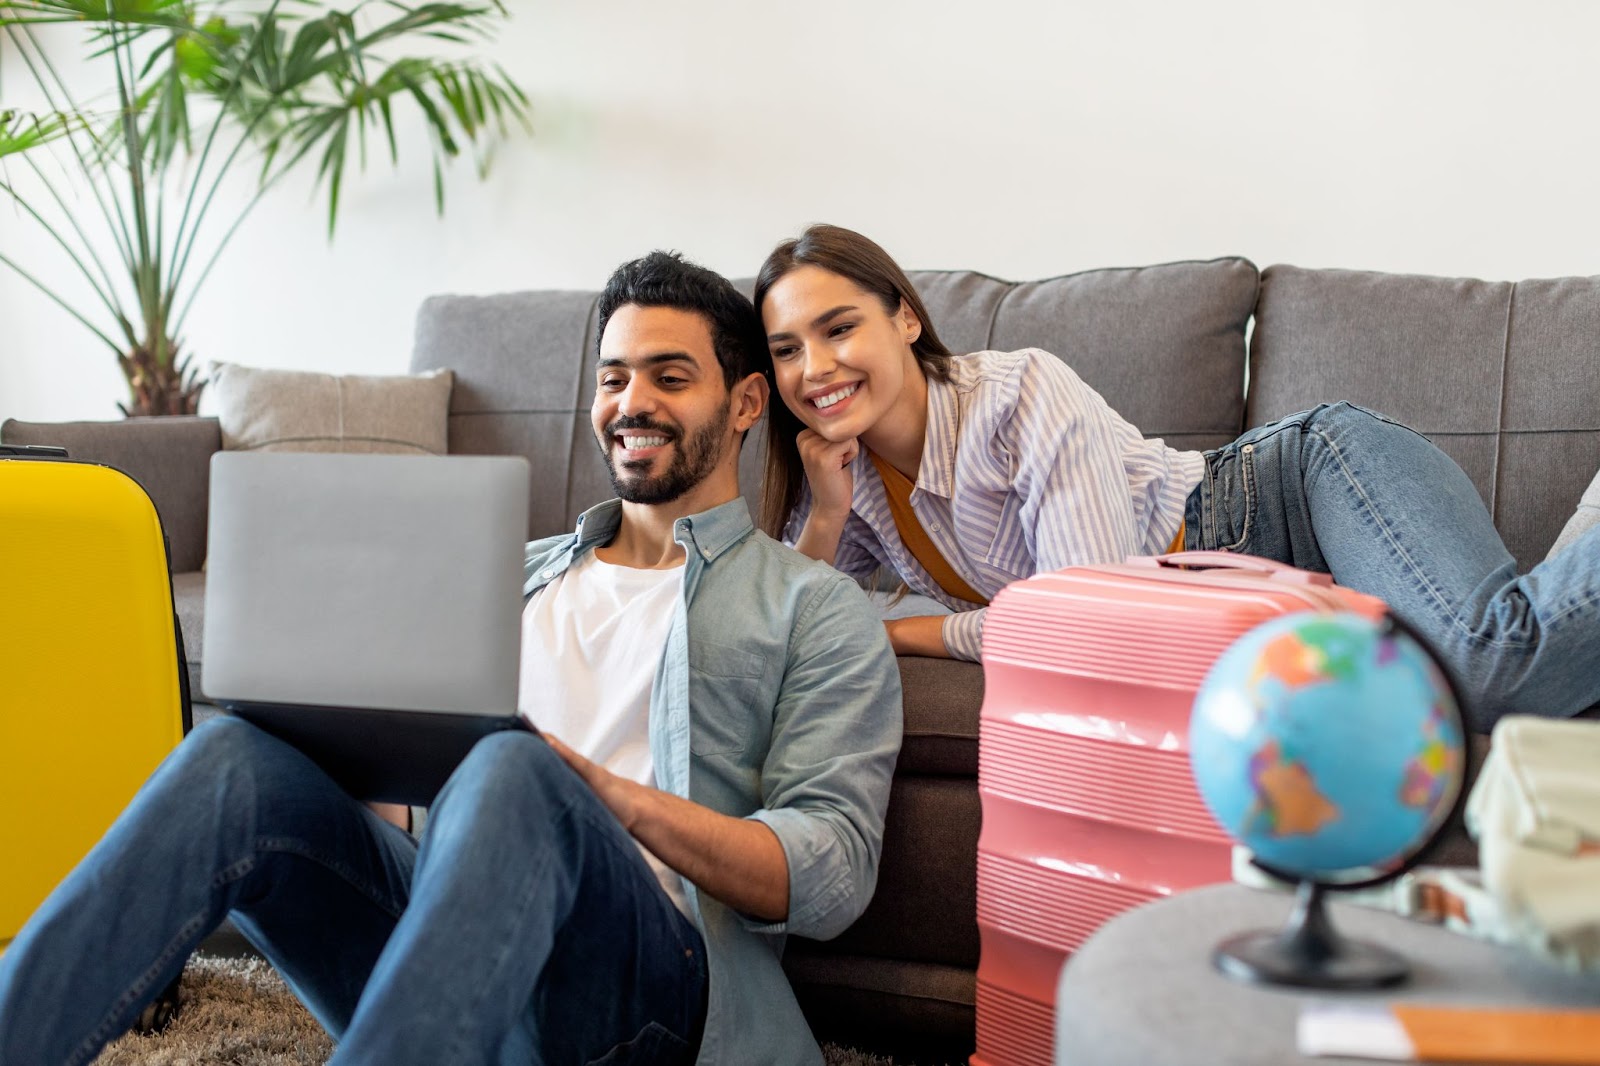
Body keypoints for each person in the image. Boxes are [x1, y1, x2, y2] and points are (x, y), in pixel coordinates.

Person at [0, 251, 903, 1066]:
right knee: (231, 758)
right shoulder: (504, 573)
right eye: (615, 378)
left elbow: (832, 872)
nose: (634, 404)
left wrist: (607, 797)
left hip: (641, 997)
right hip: (452, 957)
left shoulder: (811, 606)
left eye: (671, 377)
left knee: (513, 764)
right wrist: (336, 742)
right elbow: (410, 803)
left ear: (745, 402)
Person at [753, 223, 1600, 731]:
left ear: (904, 316)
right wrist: (824, 515)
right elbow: (788, 635)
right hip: (1257, 595)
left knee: (1491, 665)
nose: (815, 367)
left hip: (1307, 486)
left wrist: (904, 632)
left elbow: (1082, 623)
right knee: (1518, 696)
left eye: (838, 329)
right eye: (787, 349)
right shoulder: (850, 477)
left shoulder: (1019, 396)